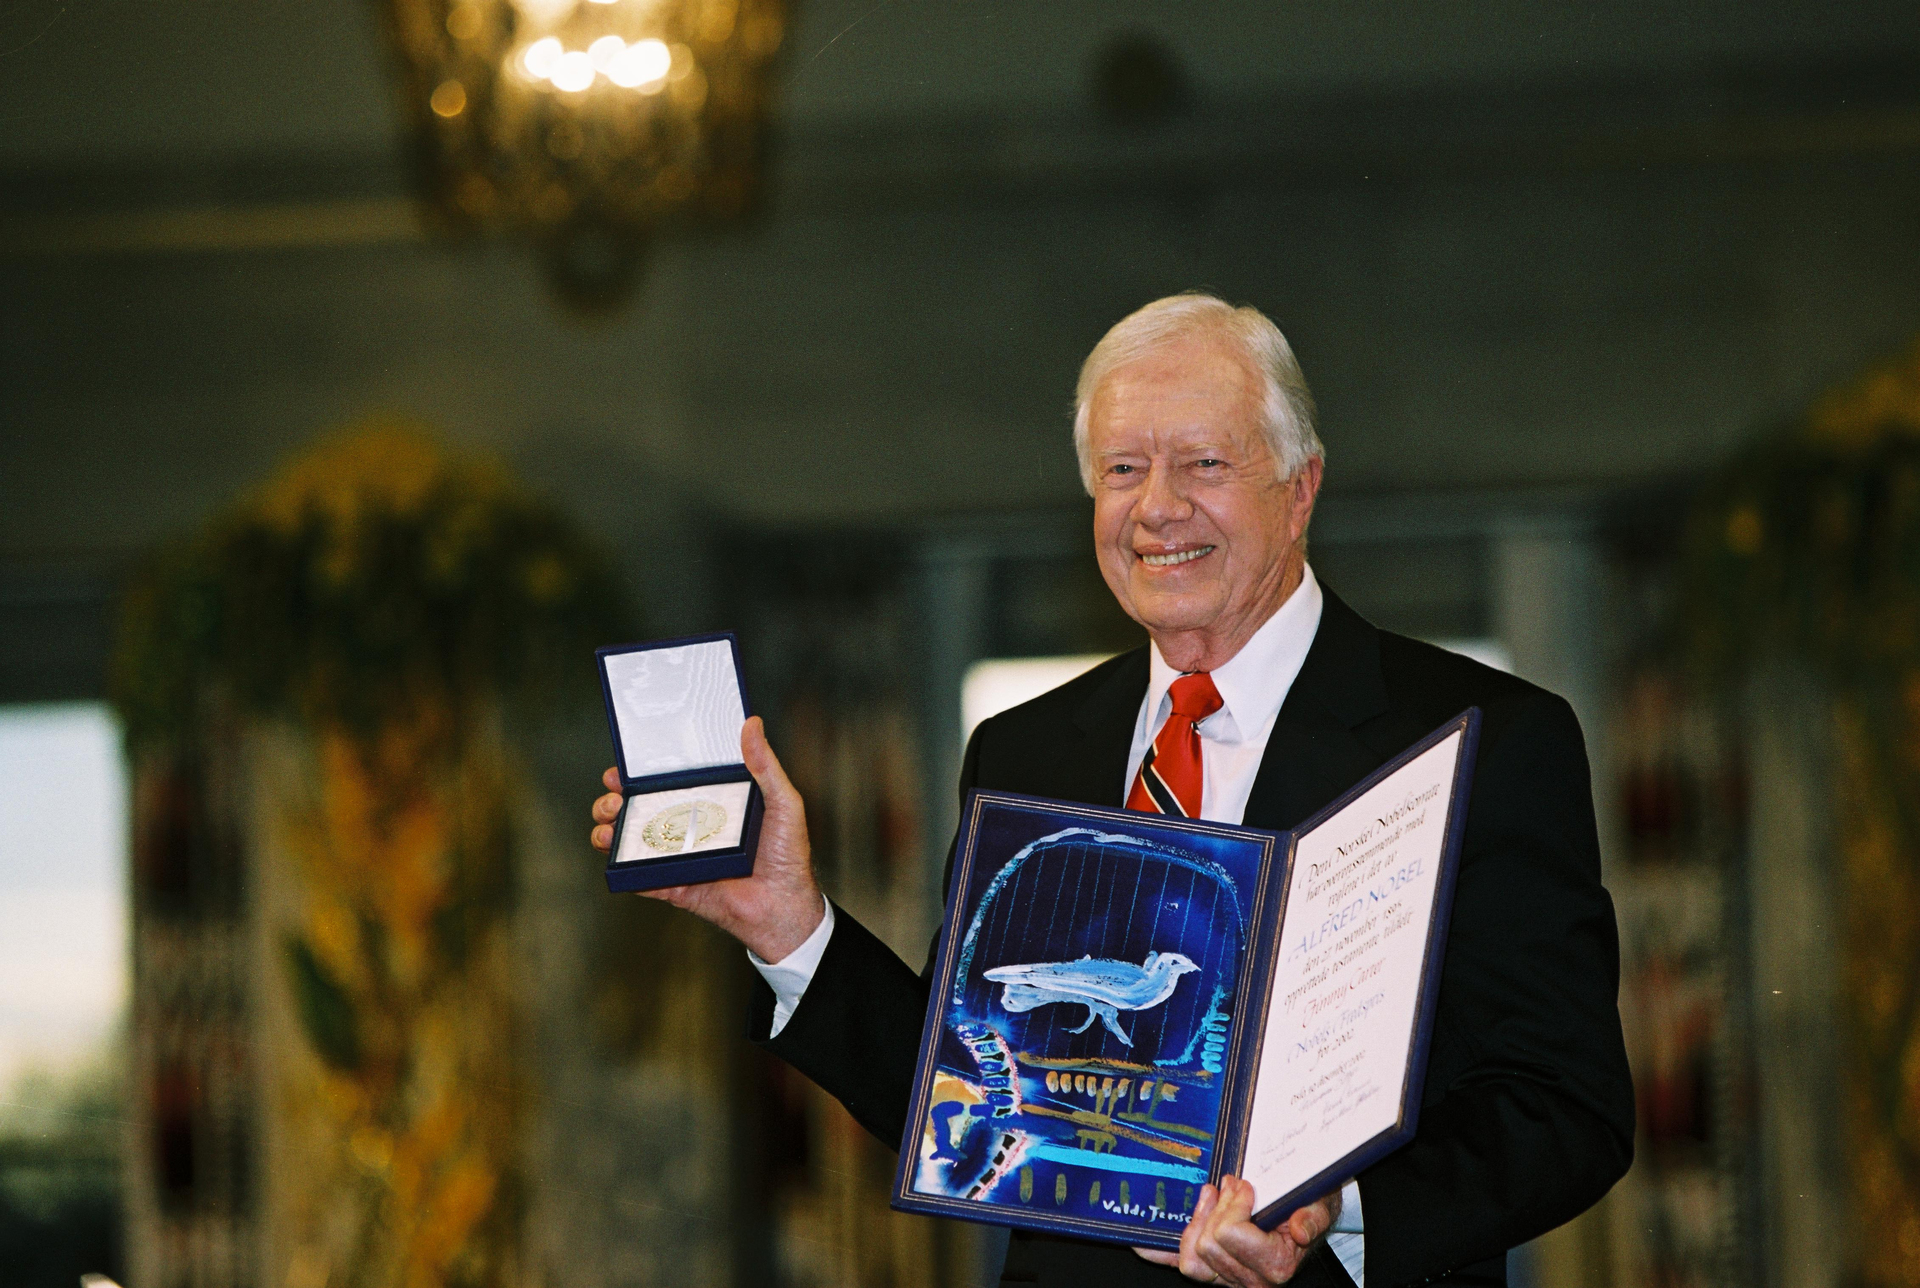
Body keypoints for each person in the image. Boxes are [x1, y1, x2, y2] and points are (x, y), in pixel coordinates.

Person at [591, 294, 1633, 1287]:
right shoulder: (1027, 749)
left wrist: (1338, 1211)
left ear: (1301, 485)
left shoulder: (1483, 739)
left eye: (1205, 462)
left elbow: (1565, 1106)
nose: (1159, 506)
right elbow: (984, 1088)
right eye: (1123, 467)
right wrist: (792, 928)